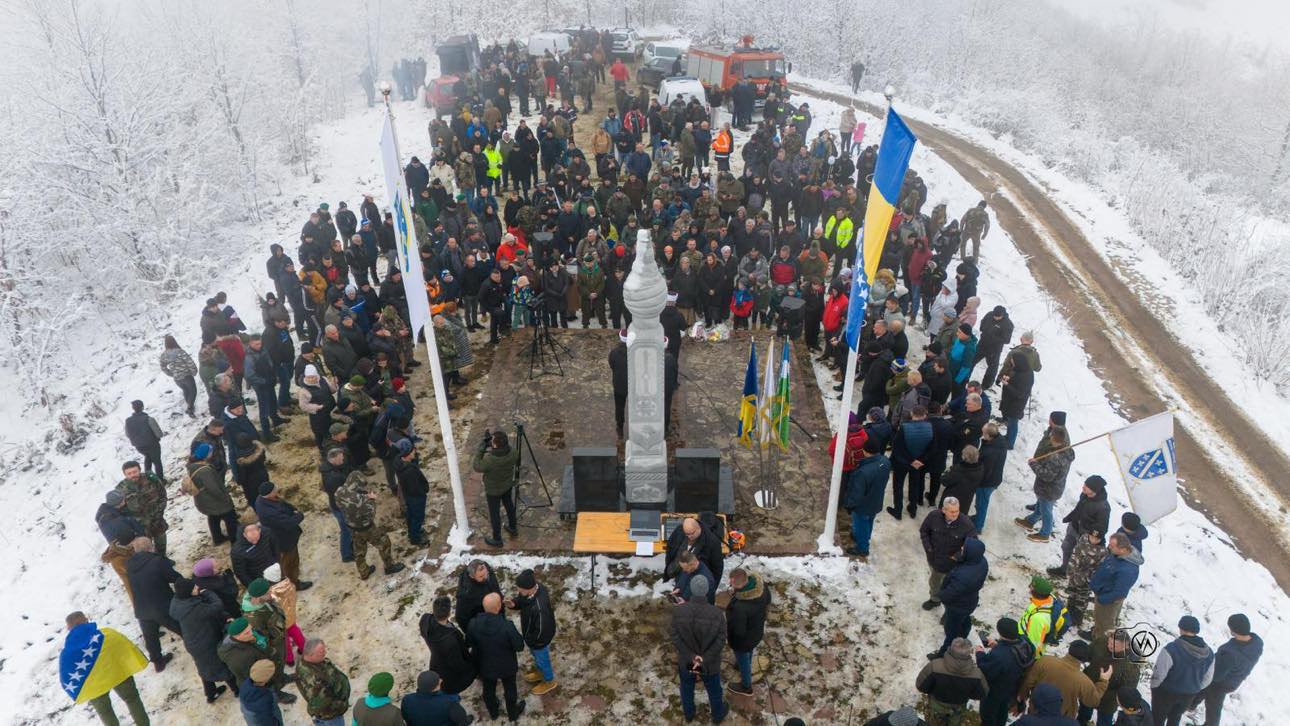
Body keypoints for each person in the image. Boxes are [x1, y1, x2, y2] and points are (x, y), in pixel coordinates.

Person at [60, 611, 151, 726]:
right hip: (119, 674)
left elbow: (66, 677)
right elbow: (125, 646)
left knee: (105, 713)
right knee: (132, 699)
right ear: (84, 621)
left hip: (93, 687)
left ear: (69, 628)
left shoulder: (67, 654)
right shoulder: (107, 634)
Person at [169, 577, 238, 704]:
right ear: (188, 592)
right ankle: (236, 689)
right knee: (221, 664)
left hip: (193, 642)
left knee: (204, 667)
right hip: (206, 642)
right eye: (194, 587)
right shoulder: (194, 609)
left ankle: (211, 694)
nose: (197, 588)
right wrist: (208, 592)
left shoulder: (178, 602)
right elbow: (217, 606)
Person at [670, 576, 728, 723]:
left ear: (691, 589)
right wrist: (703, 658)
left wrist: (691, 656)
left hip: (686, 660)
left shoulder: (679, 611)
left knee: (686, 687)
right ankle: (718, 715)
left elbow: (675, 636)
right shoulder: (717, 614)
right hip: (709, 663)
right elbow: (721, 640)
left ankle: (689, 714)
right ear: (707, 591)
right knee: (714, 690)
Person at [1189, 613, 1262, 725]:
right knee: (1204, 690)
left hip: (1220, 684)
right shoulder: (1257, 642)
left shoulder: (1231, 654)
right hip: (1235, 679)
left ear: (1234, 630)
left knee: (1213, 709)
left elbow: (1216, 675)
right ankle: (1191, 704)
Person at [467, 593, 526, 722]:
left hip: (485, 665)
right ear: (499, 607)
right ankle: (513, 713)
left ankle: (493, 713)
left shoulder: (473, 624)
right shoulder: (507, 626)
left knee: (488, 690)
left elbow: (469, 642)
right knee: (510, 690)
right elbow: (519, 646)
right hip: (507, 666)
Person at [335, 472, 405, 579]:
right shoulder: (359, 499)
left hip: (352, 526)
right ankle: (389, 566)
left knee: (359, 551)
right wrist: (371, 499)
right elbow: (371, 512)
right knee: (384, 542)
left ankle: (364, 572)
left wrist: (362, 496)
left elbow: (343, 503)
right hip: (366, 527)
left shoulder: (339, 492)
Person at [125, 537, 181, 671]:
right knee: (182, 628)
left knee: (150, 638)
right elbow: (175, 578)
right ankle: (199, 649)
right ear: (151, 547)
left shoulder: (129, 565)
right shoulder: (157, 561)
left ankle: (158, 662)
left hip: (142, 609)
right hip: (162, 606)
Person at [1018, 639, 1111, 719]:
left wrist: (1021, 699)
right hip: (1061, 719)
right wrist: (1103, 681)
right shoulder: (1083, 681)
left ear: (1069, 649)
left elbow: (1028, 682)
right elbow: (1093, 701)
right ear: (1084, 658)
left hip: (1036, 711)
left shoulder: (1044, 660)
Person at [1151, 615, 1215, 726]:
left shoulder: (1171, 649)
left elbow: (1159, 674)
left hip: (1165, 693)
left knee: (1157, 720)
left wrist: (1154, 688)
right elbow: (1208, 679)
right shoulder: (1209, 654)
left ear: (1181, 628)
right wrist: (1193, 688)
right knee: (1175, 718)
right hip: (1188, 696)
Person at [1015, 426, 1075, 543]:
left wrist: (1034, 464)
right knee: (1041, 505)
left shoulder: (1056, 457)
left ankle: (1045, 534)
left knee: (1046, 511)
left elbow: (1047, 475)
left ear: (1054, 438)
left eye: (1051, 435)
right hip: (1053, 488)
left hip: (1049, 489)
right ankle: (1030, 521)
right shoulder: (1066, 450)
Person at [919, 497, 978, 610]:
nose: (955, 514)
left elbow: (972, 544)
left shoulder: (966, 524)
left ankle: (948, 611)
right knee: (935, 583)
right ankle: (935, 600)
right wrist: (929, 548)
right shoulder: (933, 516)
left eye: (957, 510)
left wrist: (957, 556)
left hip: (953, 566)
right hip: (935, 560)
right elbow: (924, 531)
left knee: (951, 590)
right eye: (952, 511)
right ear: (943, 510)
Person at [975, 617, 1036, 726]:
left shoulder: (1000, 656)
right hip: (1012, 687)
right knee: (1002, 710)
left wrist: (980, 654)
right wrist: (999, 645)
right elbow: (1013, 651)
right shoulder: (1026, 642)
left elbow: (985, 670)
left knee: (988, 715)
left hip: (994, 690)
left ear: (1001, 633)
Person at [934, 538, 988, 659]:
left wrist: (940, 595)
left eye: (964, 548)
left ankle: (942, 654)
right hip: (970, 602)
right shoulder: (982, 562)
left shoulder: (964, 576)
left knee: (951, 633)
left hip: (957, 606)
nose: (961, 549)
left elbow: (950, 593)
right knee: (965, 619)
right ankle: (964, 634)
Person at [507, 568, 558, 695]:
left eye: (520, 589)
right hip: (532, 638)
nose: (518, 591)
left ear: (529, 588)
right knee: (538, 658)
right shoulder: (531, 591)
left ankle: (549, 681)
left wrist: (532, 641)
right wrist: (514, 604)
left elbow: (542, 630)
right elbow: (523, 601)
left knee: (543, 659)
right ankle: (540, 672)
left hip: (539, 641)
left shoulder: (540, 608)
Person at [914, 637, 988, 725]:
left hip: (936, 705)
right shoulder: (977, 674)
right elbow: (982, 693)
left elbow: (921, 686)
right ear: (969, 653)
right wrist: (967, 694)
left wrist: (933, 691)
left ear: (950, 649)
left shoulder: (934, 665)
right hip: (958, 708)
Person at [1085, 532, 1143, 640]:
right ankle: (1096, 633)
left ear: (1122, 549)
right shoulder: (1118, 555)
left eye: (1112, 546)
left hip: (1108, 601)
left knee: (1105, 625)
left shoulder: (1127, 570)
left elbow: (1119, 592)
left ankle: (1101, 644)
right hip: (1102, 592)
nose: (1109, 547)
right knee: (1099, 619)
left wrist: (1102, 599)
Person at [1049, 476, 1111, 577]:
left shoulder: (1103, 507)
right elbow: (1079, 508)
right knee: (1066, 547)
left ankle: (1075, 577)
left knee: (1079, 557)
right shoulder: (1085, 495)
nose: (1083, 487)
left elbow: (1102, 527)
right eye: (1084, 484)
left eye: (1087, 486)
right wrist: (1071, 517)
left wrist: (1091, 537)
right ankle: (1064, 569)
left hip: (1085, 535)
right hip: (1074, 527)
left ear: (1094, 490)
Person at [725, 568, 771, 697]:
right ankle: (742, 664)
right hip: (756, 630)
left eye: (731, 583)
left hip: (743, 640)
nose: (730, 584)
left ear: (736, 583)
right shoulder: (760, 585)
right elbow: (768, 600)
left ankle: (746, 687)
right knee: (748, 652)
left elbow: (738, 631)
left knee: (743, 655)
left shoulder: (740, 607)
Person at [419, 595, 477, 695]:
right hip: (451, 676)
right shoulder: (450, 641)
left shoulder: (425, 620)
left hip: (437, 663)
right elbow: (458, 664)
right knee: (451, 692)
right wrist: (470, 668)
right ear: (449, 613)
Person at [472, 429, 521, 547]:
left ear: (496, 444)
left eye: (493, 441)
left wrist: (482, 447)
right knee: (509, 505)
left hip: (493, 491)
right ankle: (513, 528)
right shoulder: (514, 452)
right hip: (507, 485)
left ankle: (497, 539)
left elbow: (476, 466)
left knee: (495, 514)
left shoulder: (490, 460)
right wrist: (493, 445)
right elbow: (502, 450)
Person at [843, 437, 889, 559]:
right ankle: (862, 536)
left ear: (865, 451)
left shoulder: (863, 472)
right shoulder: (885, 461)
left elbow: (856, 493)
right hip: (876, 500)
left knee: (861, 524)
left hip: (863, 505)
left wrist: (849, 504)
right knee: (869, 521)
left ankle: (862, 548)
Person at [97, 490, 146, 603]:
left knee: (129, 583)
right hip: (128, 551)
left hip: (117, 550)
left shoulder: (104, 514)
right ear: (118, 503)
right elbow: (126, 535)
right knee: (137, 582)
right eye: (123, 500)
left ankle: (140, 607)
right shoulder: (114, 519)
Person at [184, 442, 238, 545]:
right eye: (210, 452)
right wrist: (225, 498)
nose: (212, 453)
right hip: (213, 500)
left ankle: (217, 538)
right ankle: (235, 541)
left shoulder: (192, 465)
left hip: (203, 500)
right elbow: (213, 488)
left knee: (213, 517)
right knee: (230, 517)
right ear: (206, 454)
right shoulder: (204, 471)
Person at [115, 460, 169, 557]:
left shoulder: (151, 479)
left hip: (157, 519)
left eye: (135, 472)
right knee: (145, 550)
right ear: (125, 474)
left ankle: (163, 559)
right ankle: (152, 564)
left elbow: (162, 495)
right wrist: (132, 523)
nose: (133, 475)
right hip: (139, 525)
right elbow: (120, 510)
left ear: (140, 470)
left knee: (161, 542)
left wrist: (159, 512)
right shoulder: (120, 489)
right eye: (129, 473)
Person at [295, 638, 352, 726]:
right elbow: (324, 706)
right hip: (331, 717)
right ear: (311, 655)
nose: (325, 653)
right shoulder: (314, 681)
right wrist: (343, 706)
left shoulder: (307, 660)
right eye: (321, 652)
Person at [664, 516, 725, 586]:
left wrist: (713, 586)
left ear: (698, 528)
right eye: (687, 534)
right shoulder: (679, 530)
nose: (689, 537)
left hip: (698, 579)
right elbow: (670, 549)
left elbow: (717, 567)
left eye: (692, 533)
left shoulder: (712, 542)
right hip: (678, 573)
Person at [401, 670, 474, 725]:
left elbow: (406, 717)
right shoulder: (450, 703)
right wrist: (467, 720)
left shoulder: (407, 700)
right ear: (434, 688)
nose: (441, 680)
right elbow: (461, 720)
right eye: (438, 681)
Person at [455, 560, 502, 632]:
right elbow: (460, 617)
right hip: (482, 625)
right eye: (481, 576)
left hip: (497, 615)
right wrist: (472, 633)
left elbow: (495, 588)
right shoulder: (466, 594)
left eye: (486, 573)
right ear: (472, 576)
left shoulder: (486, 570)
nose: (485, 577)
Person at [124, 400, 166, 479]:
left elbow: (127, 434)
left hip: (139, 446)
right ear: (142, 407)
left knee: (148, 458)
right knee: (157, 462)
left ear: (133, 408)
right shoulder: (148, 419)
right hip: (152, 444)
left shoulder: (128, 421)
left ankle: (148, 479)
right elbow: (159, 433)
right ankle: (160, 480)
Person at [160, 335, 199, 416]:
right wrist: (194, 371)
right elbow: (189, 362)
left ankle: (190, 406)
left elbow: (163, 367)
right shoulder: (180, 352)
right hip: (186, 376)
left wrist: (171, 373)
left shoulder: (164, 355)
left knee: (185, 390)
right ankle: (190, 408)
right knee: (193, 391)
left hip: (177, 379)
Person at [240, 659, 285, 725]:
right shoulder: (264, 699)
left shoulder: (245, 683)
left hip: (251, 718)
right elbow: (267, 722)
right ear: (266, 679)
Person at [1012, 682, 1078, 725]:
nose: (1029, 702)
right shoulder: (1073, 723)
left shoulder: (1027, 722)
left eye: (1032, 700)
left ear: (1037, 703)